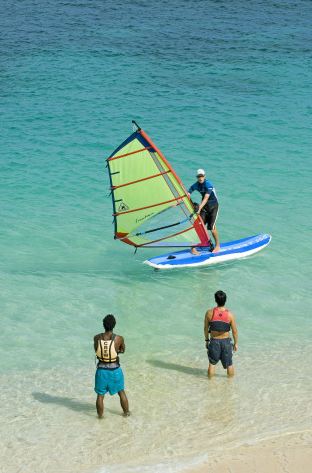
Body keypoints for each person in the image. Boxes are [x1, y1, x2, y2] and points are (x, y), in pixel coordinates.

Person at [93, 314, 130, 417]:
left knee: (100, 395)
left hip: (101, 371)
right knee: (121, 392)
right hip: (115, 371)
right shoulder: (119, 338)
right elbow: (122, 350)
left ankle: (100, 417)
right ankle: (126, 413)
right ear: (114, 325)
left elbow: (96, 350)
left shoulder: (96, 338)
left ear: (103, 325)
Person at [204, 291, 238, 378]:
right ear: (225, 300)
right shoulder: (230, 315)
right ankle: (230, 383)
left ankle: (210, 383)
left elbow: (205, 328)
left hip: (214, 341)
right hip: (226, 342)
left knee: (212, 364)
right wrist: (236, 343)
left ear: (215, 300)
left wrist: (207, 340)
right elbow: (234, 331)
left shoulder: (209, 313)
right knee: (229, 364)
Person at [187, 169, 220, 254]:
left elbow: (206, 198)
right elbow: (189, 191)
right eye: (198, 176)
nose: (200, 178)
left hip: (213, 207)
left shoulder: (208, 184)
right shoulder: (196, 185)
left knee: (212, 228)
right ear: (197, 177)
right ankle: (193, 248)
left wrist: (199, 209)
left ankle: (217, 245)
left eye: (202, 176)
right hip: (204, 208)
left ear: (204, 176)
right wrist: (184, 197)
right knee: (198, 226)